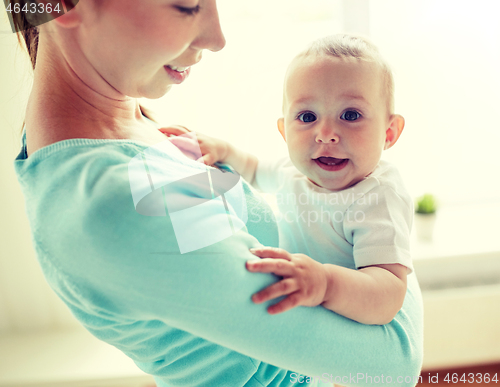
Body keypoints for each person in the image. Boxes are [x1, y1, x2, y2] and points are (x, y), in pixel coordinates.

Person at [10, 1, 423, 386]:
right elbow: (395, 360)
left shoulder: (121, 123)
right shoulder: (121, 203)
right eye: (188, 5)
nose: (217, 37)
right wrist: (377, 223)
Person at [170, 34, 412, 326]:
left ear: (389, 132)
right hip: (297, 305)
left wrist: (326, 284)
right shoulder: (294, 170)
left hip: (343, 320)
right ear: (284, 131)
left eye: (350, 114)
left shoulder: (378, 197)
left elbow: (388, 294)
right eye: (307, 116)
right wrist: (224, 151)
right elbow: (255, 170)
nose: (325, 133)